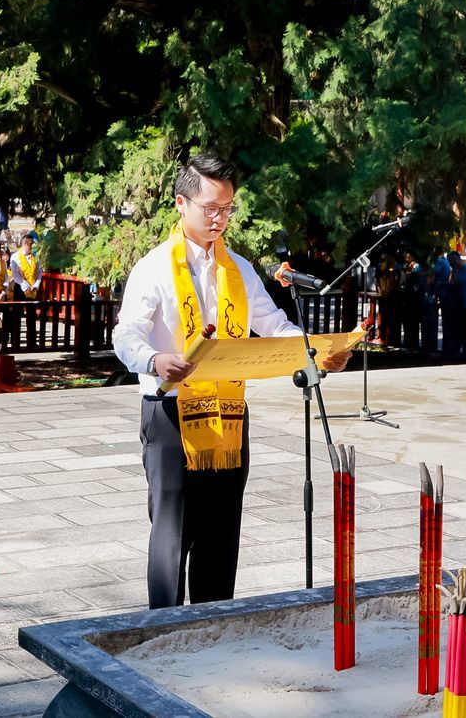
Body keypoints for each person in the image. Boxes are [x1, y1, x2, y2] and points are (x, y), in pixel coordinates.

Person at [114, 154, 344, 610]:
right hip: (170, 413)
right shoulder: (155, 267)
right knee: (172, 528)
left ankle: (215, 621)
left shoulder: (238, 268)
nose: (220, 219)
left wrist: (318, 349)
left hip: (228, 414)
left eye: (228, 209)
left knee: (221, 530)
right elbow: (125, 334)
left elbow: (274, 326)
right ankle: (162, 627)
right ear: (181, 203)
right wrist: (156, 359)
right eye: (210, 208)